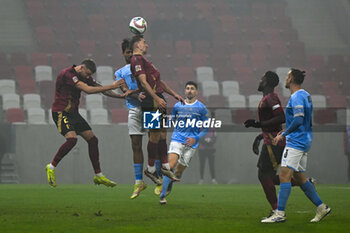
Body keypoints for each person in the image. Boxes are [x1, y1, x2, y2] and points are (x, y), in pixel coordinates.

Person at [262, 69, 331, 223]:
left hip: (296, 142)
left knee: (284, 176)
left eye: (287, 76)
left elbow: (299, 120)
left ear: (291, 78)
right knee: (300, 179)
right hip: (304, 140)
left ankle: (279, 214)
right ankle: (321, 207)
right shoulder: (305, 95)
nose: (285, 79)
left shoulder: (298, 96)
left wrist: (283, 134)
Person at [46, 59, 125, 187]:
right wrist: (113, 85)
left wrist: (122, 96)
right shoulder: (68, 74)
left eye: (90, 75)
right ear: (81, 67)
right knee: (72, 140)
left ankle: (98, 176)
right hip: (61, 112)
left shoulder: (83, 75)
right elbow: (88, 90)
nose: (88, 77)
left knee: (93, 140)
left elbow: (101, 89)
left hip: (73, 114)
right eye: (87, 74)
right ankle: (51, 167)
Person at [129, 35, 185, 184]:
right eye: (143, 42)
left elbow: (159, 82)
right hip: (150, 101)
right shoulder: (136, 60)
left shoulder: (146, 61)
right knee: (154, 135)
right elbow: (143, 82)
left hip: (157, 98)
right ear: (137, 45)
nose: (146, 44)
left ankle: (165, 166)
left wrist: (174, 94)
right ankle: (151, 168)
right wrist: (155, 98)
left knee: (162, 133)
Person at [159, 81, 209, 205]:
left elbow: (207, 128)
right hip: (177, 139)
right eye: (187, 88)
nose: (189, 90)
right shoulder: (177, 106)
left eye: (192, 88)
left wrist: (196, 138)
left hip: (191, 144)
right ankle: (162, 195)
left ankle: (170, 181)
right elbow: (171, 121)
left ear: (196, 92)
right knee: (170, 165)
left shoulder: (201, 108)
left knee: (178, 172)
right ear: (185, 91)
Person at [114, 38, 148, 199]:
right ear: (123, 54)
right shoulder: (120, 72)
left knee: (155, 141)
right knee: (135, 145)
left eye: (131, 52)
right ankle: (138, 181)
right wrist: (135, 93)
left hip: (150, 107)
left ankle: (157, 175)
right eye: (127, 52)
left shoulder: (144, 66)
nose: (129, 55)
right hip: (134, 109)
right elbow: (124, 89)